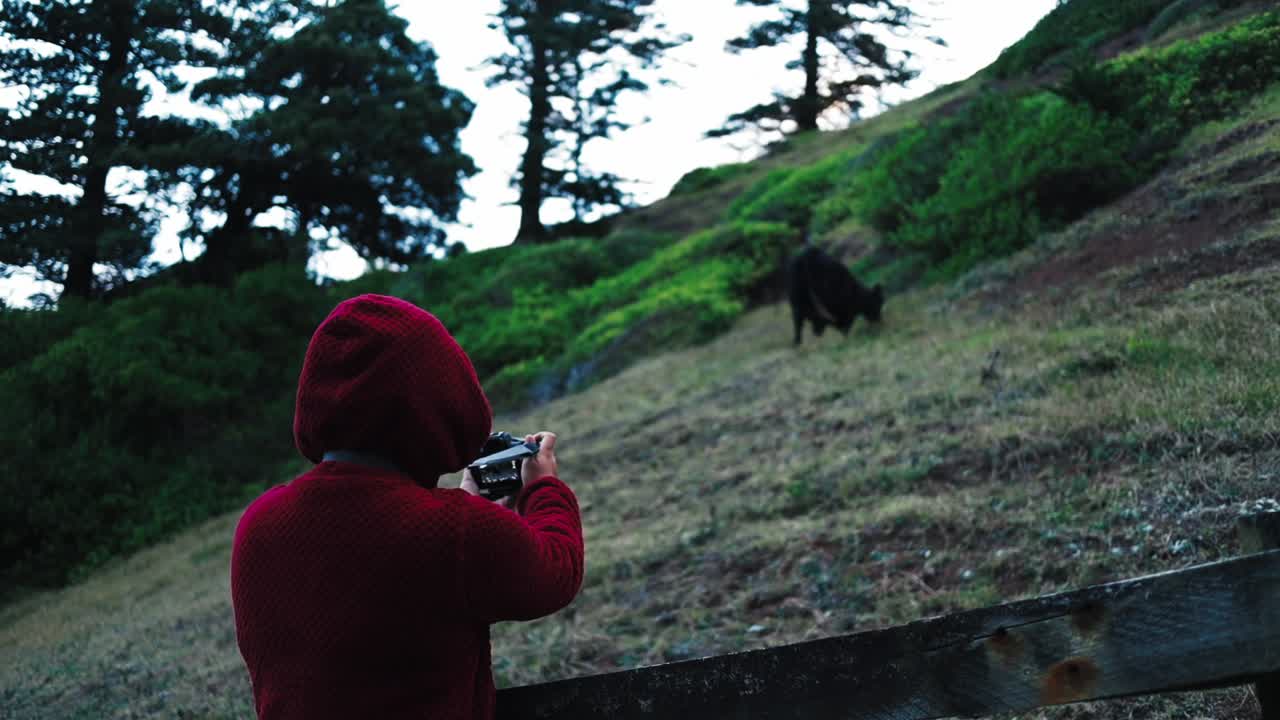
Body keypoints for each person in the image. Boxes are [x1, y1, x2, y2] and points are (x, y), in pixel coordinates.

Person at [230, 294, 584, 720]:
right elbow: (555, 572)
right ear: (438, 401)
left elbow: (381, 567)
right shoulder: (456, 534)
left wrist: (466, 503)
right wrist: (543, 488)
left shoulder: (258, 525)